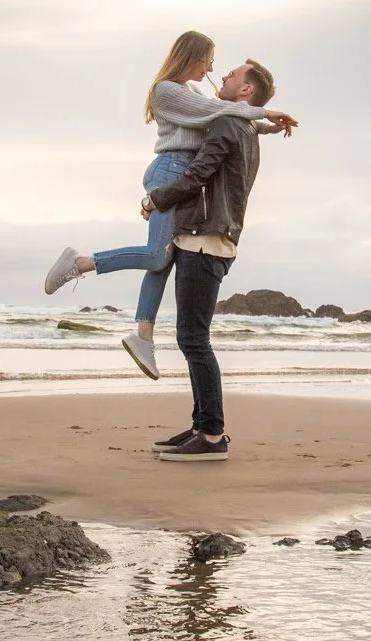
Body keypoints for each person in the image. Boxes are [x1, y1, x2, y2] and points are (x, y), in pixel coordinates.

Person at [44, 31, 295, 380]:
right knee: (157, 255)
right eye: (209, 59)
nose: (213, 68)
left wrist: (265, 126)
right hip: (171, 170)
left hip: (180, 173)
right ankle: (81, 263)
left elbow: (224, 113)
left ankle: (143, 335)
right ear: (192, 58)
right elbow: (217, 109)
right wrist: (266, 113)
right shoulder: (167, 90)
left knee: (163, 257)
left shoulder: (193, 91)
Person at [140, 58, 272, 461]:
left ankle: (212, 435)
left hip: (206, 240)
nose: (226, 76)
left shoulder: (229, 124)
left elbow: (198, 173)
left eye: (233, 74)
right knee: (192, 338)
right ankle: (201, 424)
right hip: (215, 238)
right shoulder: (244, 125)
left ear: (246, 90)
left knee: (194, 339)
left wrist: (155, 198)